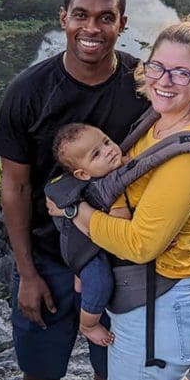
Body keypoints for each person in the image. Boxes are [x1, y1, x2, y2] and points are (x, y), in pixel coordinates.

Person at [48, 14, 190, 380]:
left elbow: (142, 243)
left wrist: (73, 213)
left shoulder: (184, 151)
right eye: (157, 67)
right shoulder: (168, 116)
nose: (164, 81)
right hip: (168, 296)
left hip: (157, 300)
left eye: (181, 73)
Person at [0, 0, 149, 380]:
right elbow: (14, 187)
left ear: (122, 23)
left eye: (106, 17)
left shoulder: (141, 86)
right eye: (80, 15)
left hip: (117, 252)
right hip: (47, 254)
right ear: (63, 18)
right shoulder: (28, 92)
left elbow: (188, 127)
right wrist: (27, 274)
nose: (92, 27)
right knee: (40, 365)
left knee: (113, 363)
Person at [51, 123, 131, 348]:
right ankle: (88, 324)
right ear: (82, 173)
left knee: (89, 269)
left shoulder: (106, 171)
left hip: (80, 242)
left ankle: (80, 275)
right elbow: (119, 227)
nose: (108, 150)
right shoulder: (105, 187)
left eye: (106, 141)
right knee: (100, 282)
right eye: (96, 154)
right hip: (83, 247)